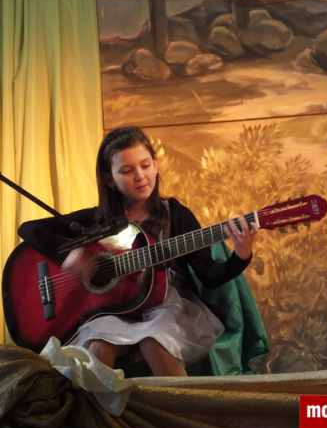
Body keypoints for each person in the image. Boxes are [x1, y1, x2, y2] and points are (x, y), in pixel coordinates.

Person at [17, 126, 257, 376]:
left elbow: (209, 275)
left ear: (156, 164)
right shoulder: (98, 219)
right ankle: (98, 403)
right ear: (109, 179)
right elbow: (29, 228)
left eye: (145, 165)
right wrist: (67, 256)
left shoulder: (175, 214)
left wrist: (240, 256)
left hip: (166, 308)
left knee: (154, 343)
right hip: (113, 310)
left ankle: (181, 402)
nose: (140, 176)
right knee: (98, 347)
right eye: (126, 171)